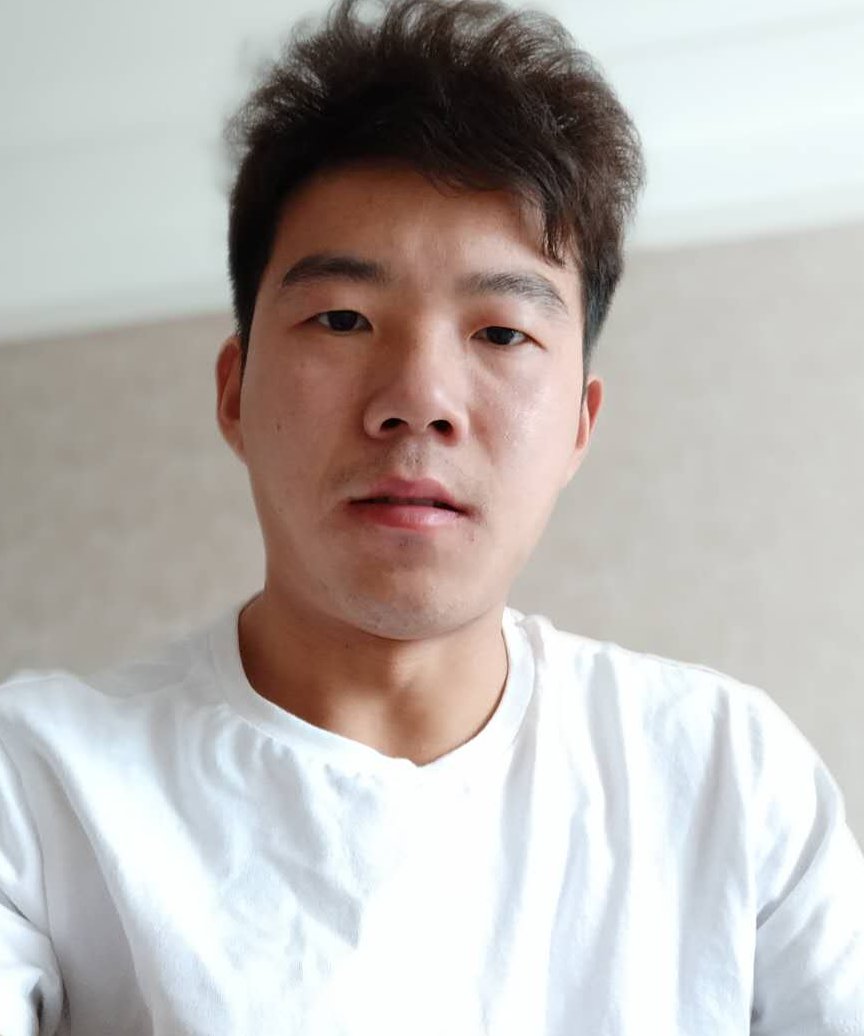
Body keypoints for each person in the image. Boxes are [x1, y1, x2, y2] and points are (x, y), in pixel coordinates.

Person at [1, 0, 862, 1031]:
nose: (419, 399)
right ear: (233, 392)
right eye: (343, 318)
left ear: (579, 426)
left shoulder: (729, 776)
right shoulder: (41, 784)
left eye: (501, 333)